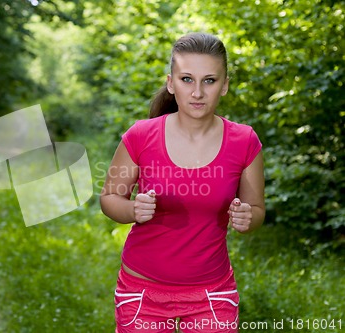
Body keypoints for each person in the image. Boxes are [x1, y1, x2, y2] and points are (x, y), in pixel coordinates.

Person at [100, 32, 265, 333]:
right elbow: (109, 198)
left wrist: (248, 217)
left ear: (225, 85)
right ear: (170, 83)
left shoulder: (244, 141)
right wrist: (132, 211)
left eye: (209, 80)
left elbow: (256, 210)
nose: (198, 92)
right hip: (142, 292)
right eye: (187, 79)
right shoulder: (140, 136)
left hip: (211, 295)